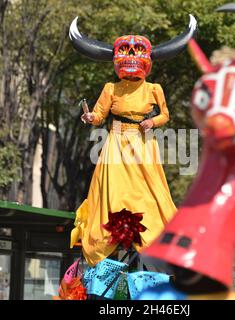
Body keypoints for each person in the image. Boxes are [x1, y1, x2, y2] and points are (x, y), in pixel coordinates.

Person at [68, 15, 197, 266]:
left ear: (148, 59)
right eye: (125, 50)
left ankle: (153, 239)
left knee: (148, 193)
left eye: (138, 51)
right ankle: (105, 239)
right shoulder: (110, 88)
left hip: (142, 143)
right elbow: (99, 116)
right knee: (112, 193)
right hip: (115, 141)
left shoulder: (154, 89)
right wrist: (89, 116)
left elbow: (165, 115)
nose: (131, 55)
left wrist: (152, 122)